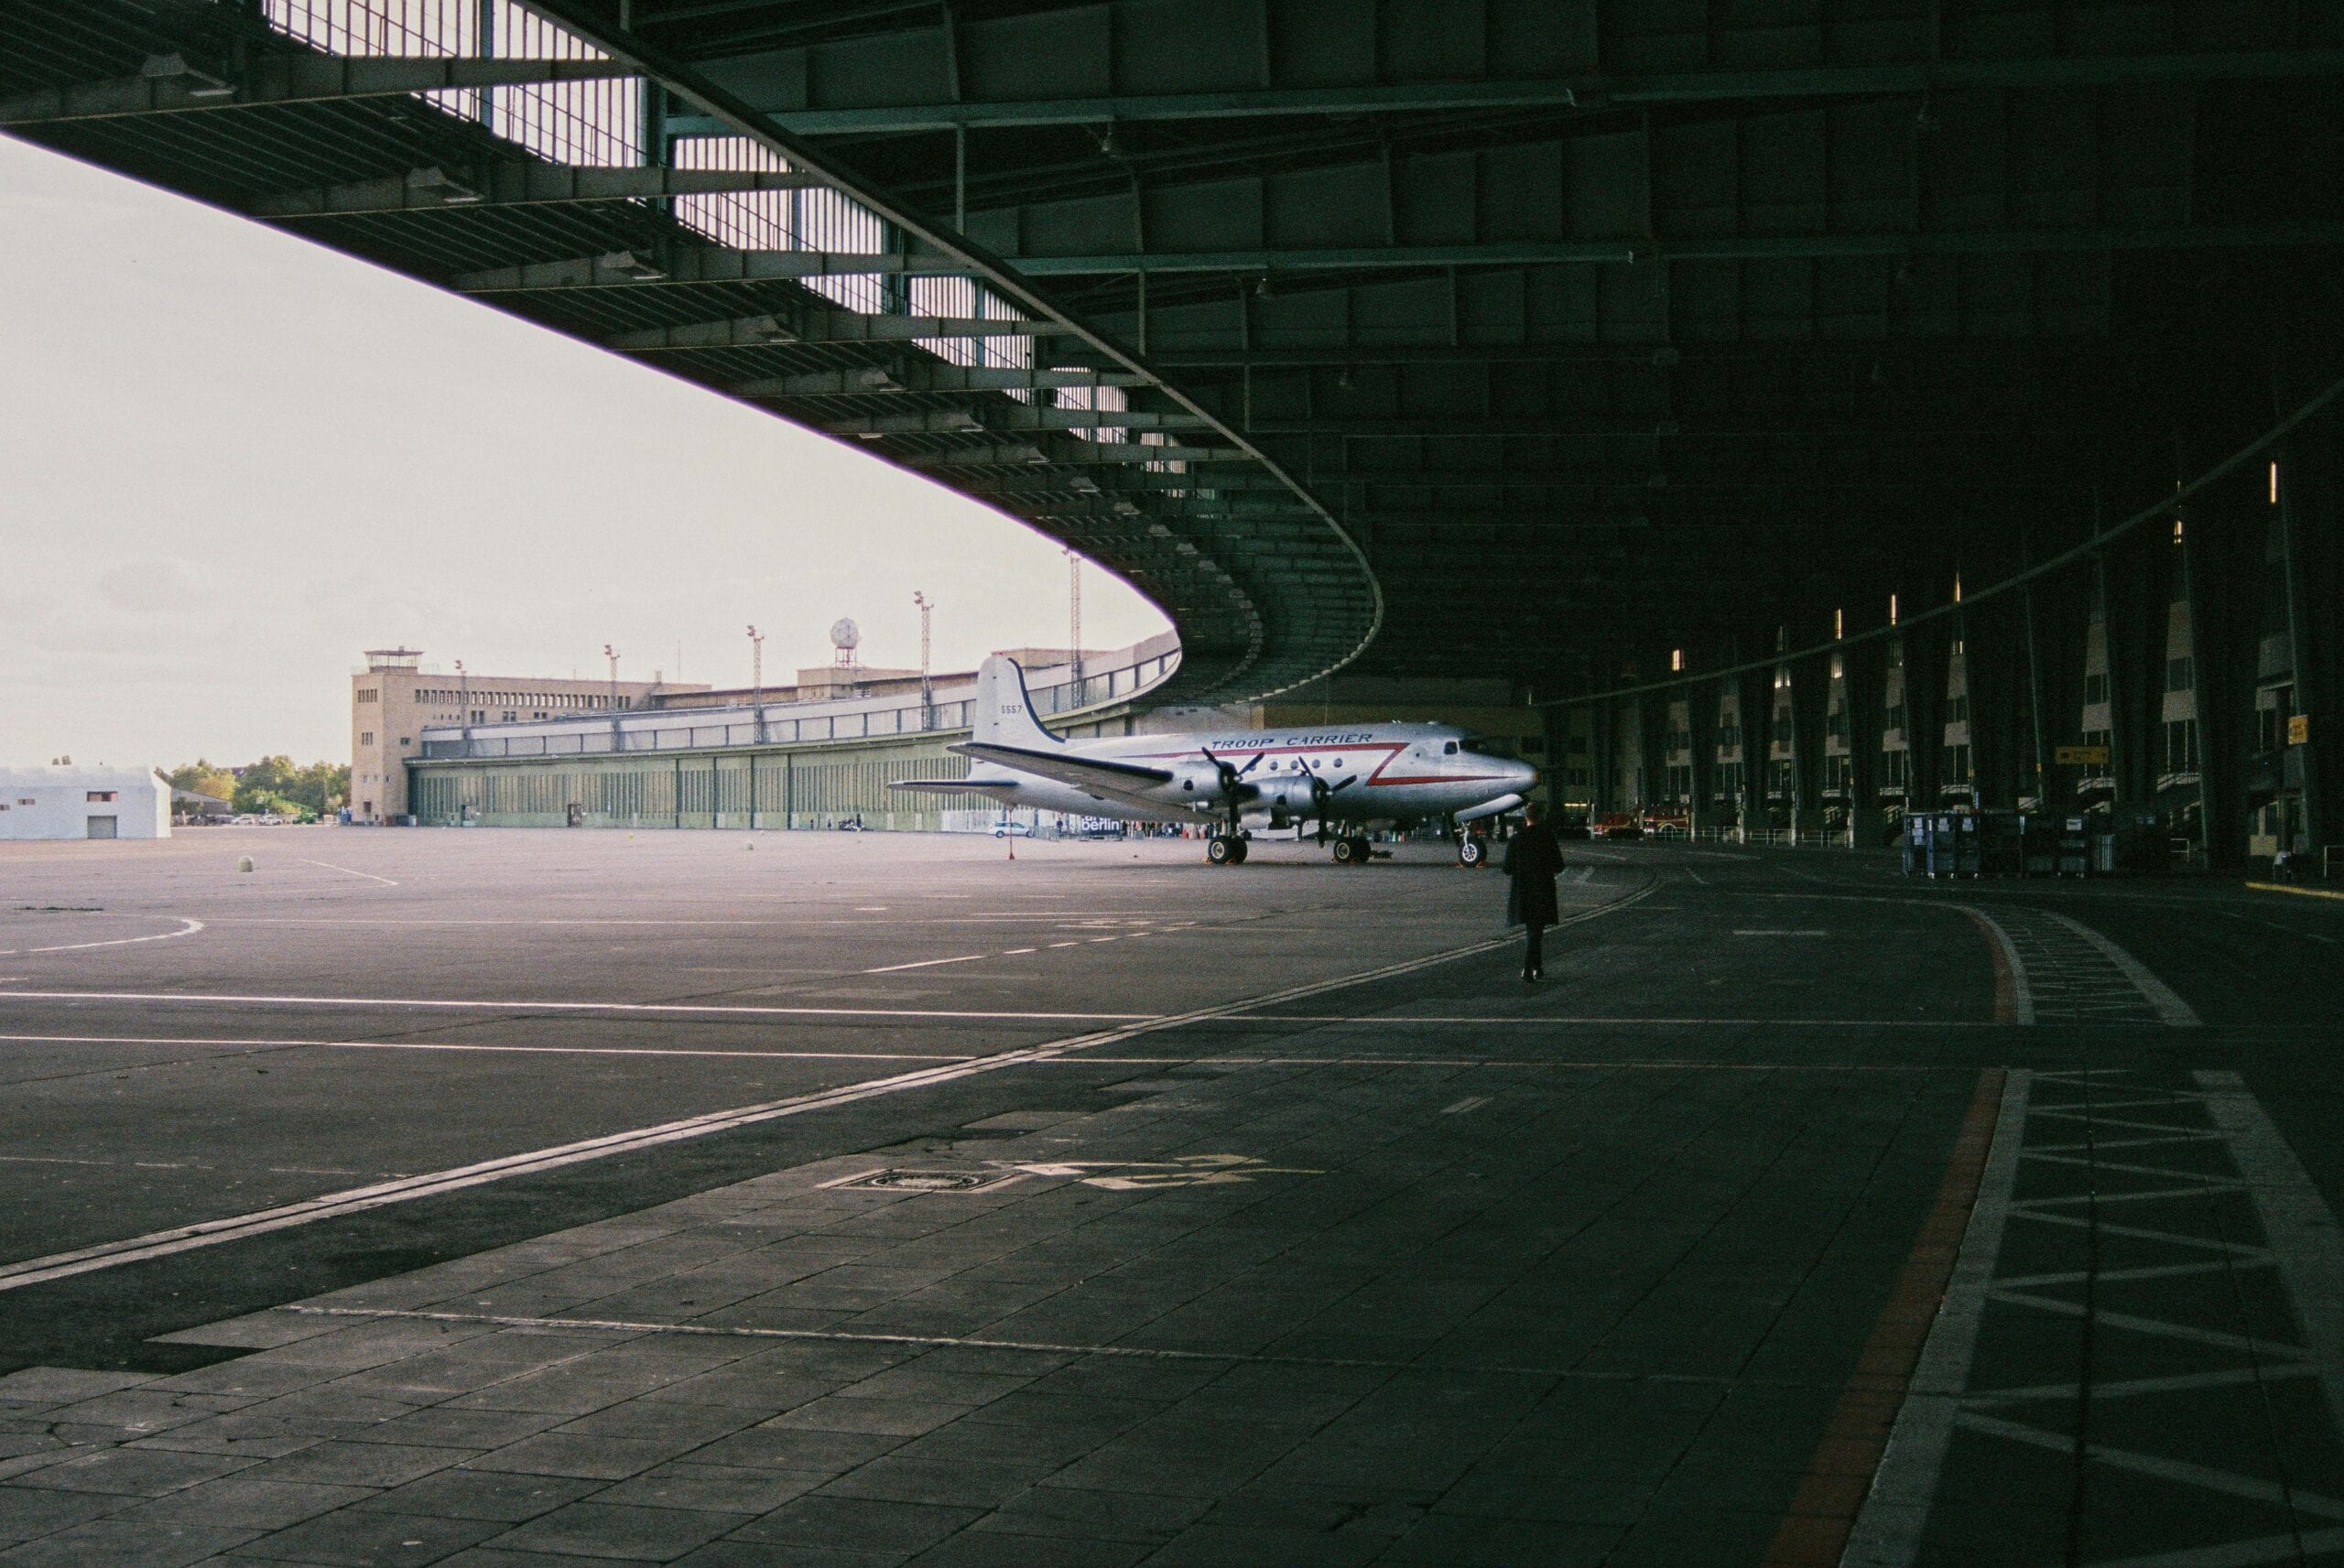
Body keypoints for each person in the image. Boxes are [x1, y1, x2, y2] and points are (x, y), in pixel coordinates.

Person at [1503, 801, 1564, 981]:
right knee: (1536, 930)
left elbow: (1506, 868)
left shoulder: (1516, 839)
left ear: (1526, 817)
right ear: (1541, 817)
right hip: (1543, 889)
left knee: (1533, 929)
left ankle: (1537, 967)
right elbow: (1559, 866)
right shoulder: (1548, 838)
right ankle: (1528, 968)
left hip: (1522, 890)